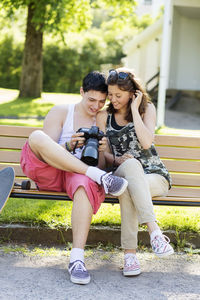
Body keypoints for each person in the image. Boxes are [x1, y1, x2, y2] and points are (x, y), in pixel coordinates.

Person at [20, 71, 128, 285]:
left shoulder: (101, 119)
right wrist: (69, 145)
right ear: (81, 92)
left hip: (78, 176)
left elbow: (100, 163)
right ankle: (98, 177)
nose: (95, 106)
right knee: (36, 136)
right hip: (50, 172)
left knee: (84, 183)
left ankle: (76, 259)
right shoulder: (62, 111)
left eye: (101, 101)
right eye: (91, 100)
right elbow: (44, 151)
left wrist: (101, 151)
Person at [97, 68, 174, 277]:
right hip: (123, 171)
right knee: (131, 169)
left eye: (118, 95)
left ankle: (130, 256)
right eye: (110, 94)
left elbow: (147, 142)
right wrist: (118, 159)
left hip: (155, 176)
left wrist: (135, 109)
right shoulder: (104, 116)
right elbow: (104, 157)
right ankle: (155, 233)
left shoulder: (146, 109)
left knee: (127, 188)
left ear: (132, 94)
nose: (113, 99)